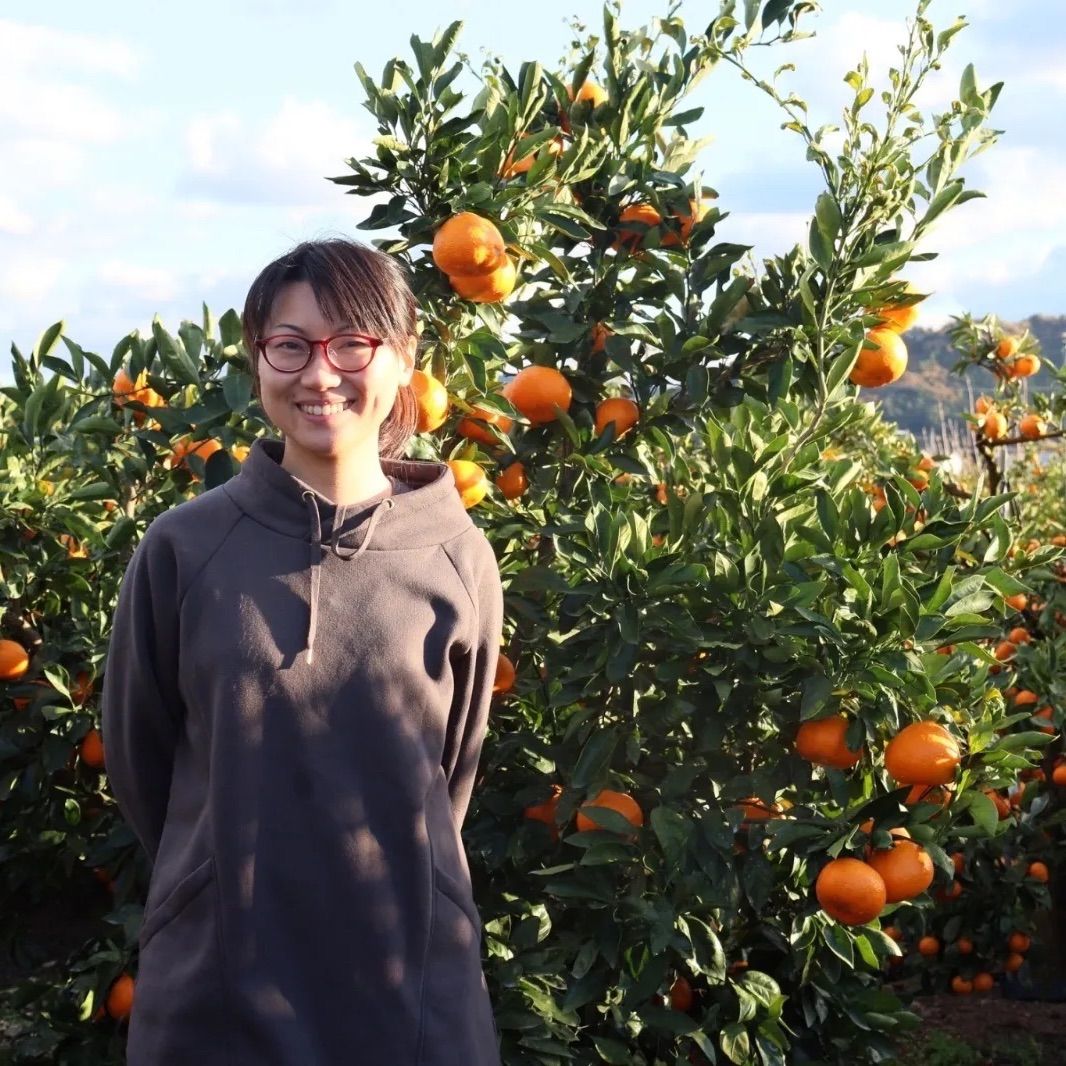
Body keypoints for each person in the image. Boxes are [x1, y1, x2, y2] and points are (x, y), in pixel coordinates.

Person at [101, 238, 504, 1065]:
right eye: (289, 345)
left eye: (351, 343)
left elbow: (450, 768)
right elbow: (143, 762)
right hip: (217, 991)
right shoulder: (186, 547)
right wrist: (214, 876)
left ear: (400, 360)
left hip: (411, 988)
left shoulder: (455, 556)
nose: (320, 374)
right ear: (258, 361)